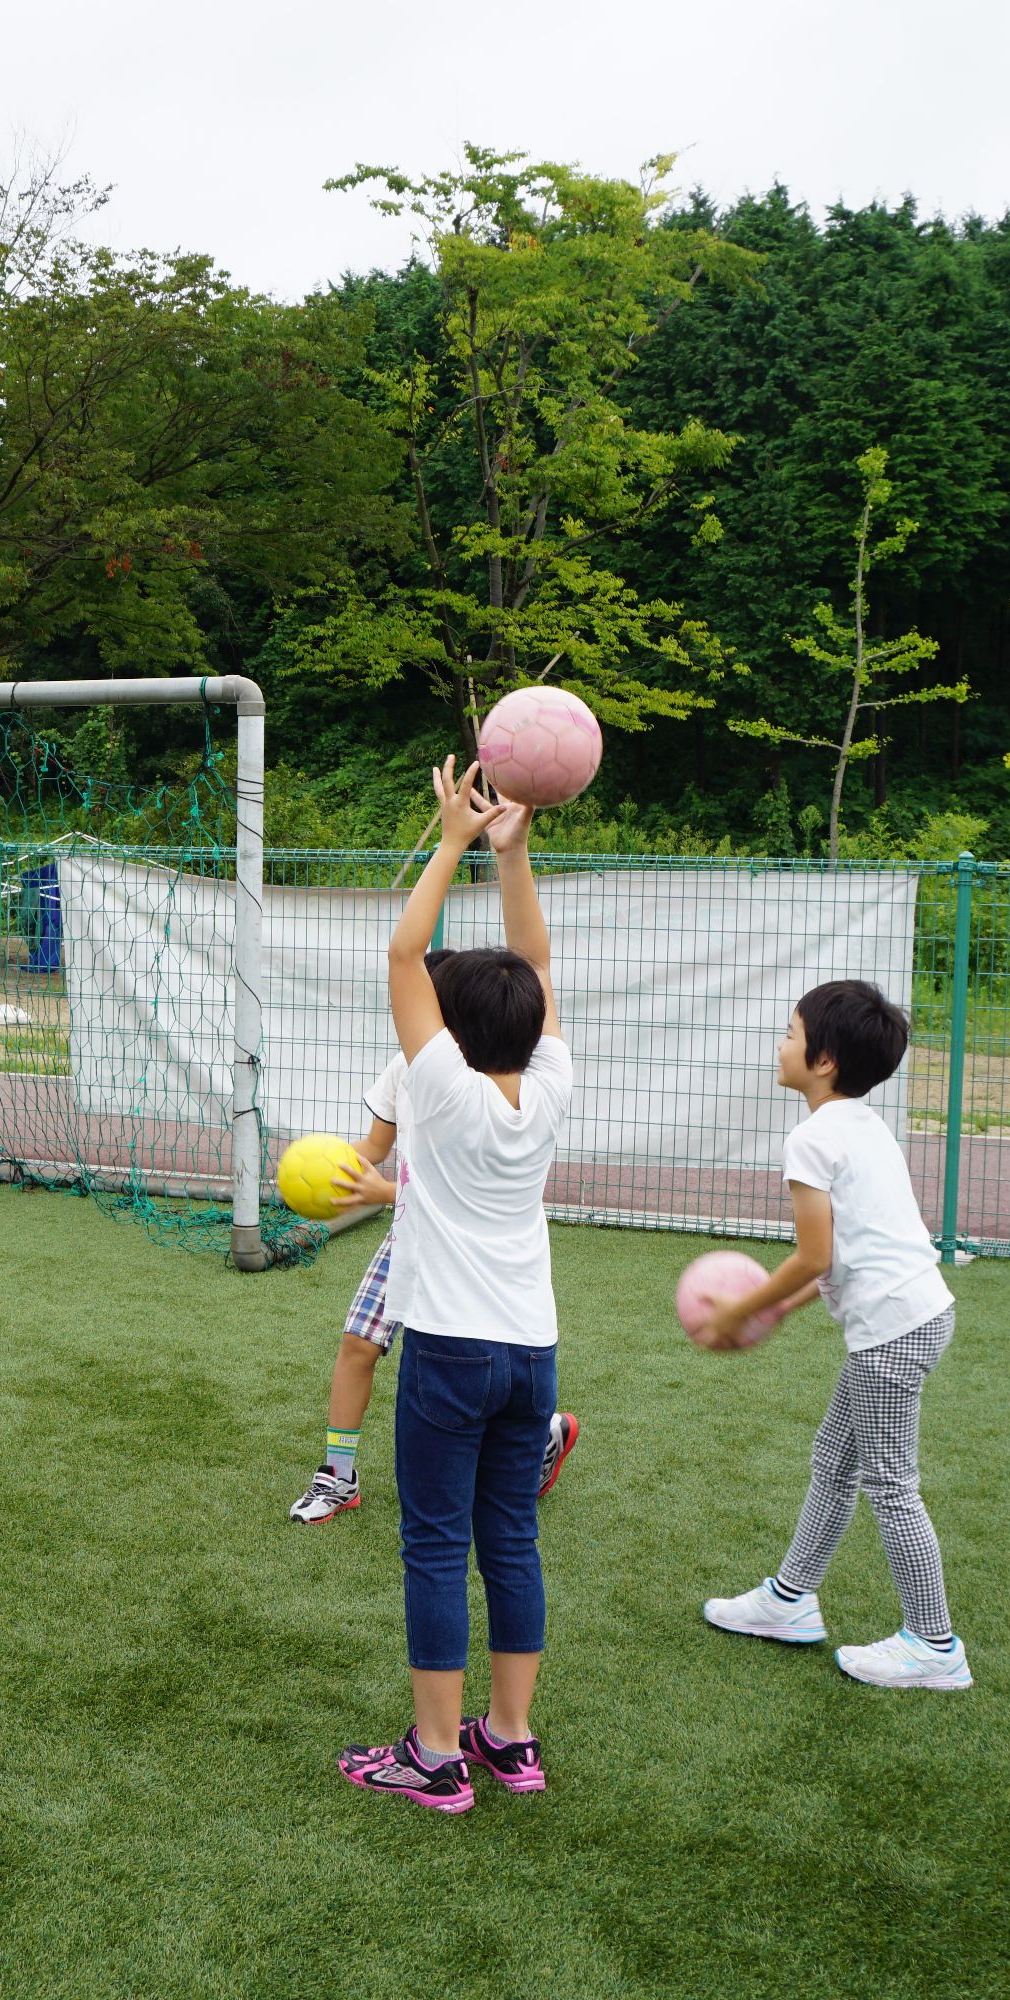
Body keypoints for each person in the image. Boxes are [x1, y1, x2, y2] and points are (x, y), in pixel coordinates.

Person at [337, 760, 572, 1814]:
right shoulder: (551, 1080)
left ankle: (435, 1753)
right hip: (532, 1353)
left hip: (448, 1347)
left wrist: (450, 840)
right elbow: (534, 956)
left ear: (451, 1032)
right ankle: (509, 1737)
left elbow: (401, 951)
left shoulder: (439, 1088)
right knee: (509, 1539)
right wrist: (512, 852)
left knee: (435, 1545)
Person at [696, 981, 970, 1690]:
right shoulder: (863, 1123)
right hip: (916, 1314)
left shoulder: (813, 1137)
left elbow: (815, 1255)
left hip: (892, 1331)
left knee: (889, 1484)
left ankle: (935, 1645)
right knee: (834, 1458)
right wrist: (781, 1311)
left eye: (789, 1033)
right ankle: (789, 1599)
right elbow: (854, 1245)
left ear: (822, 1061)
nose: (779, 1045)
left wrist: (738, 1311)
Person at [288, 1022, 580, 1527]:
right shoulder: (405, 1067)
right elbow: (375, 1149)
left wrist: (383, 1193)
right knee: (358, 1343)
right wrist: (319, 1169)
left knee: (480, 1364)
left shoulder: (491, 1078)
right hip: (411, 1234)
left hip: (473, 1247)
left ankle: (535, 1443)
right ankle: (338, 1477)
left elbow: (468, 1190)